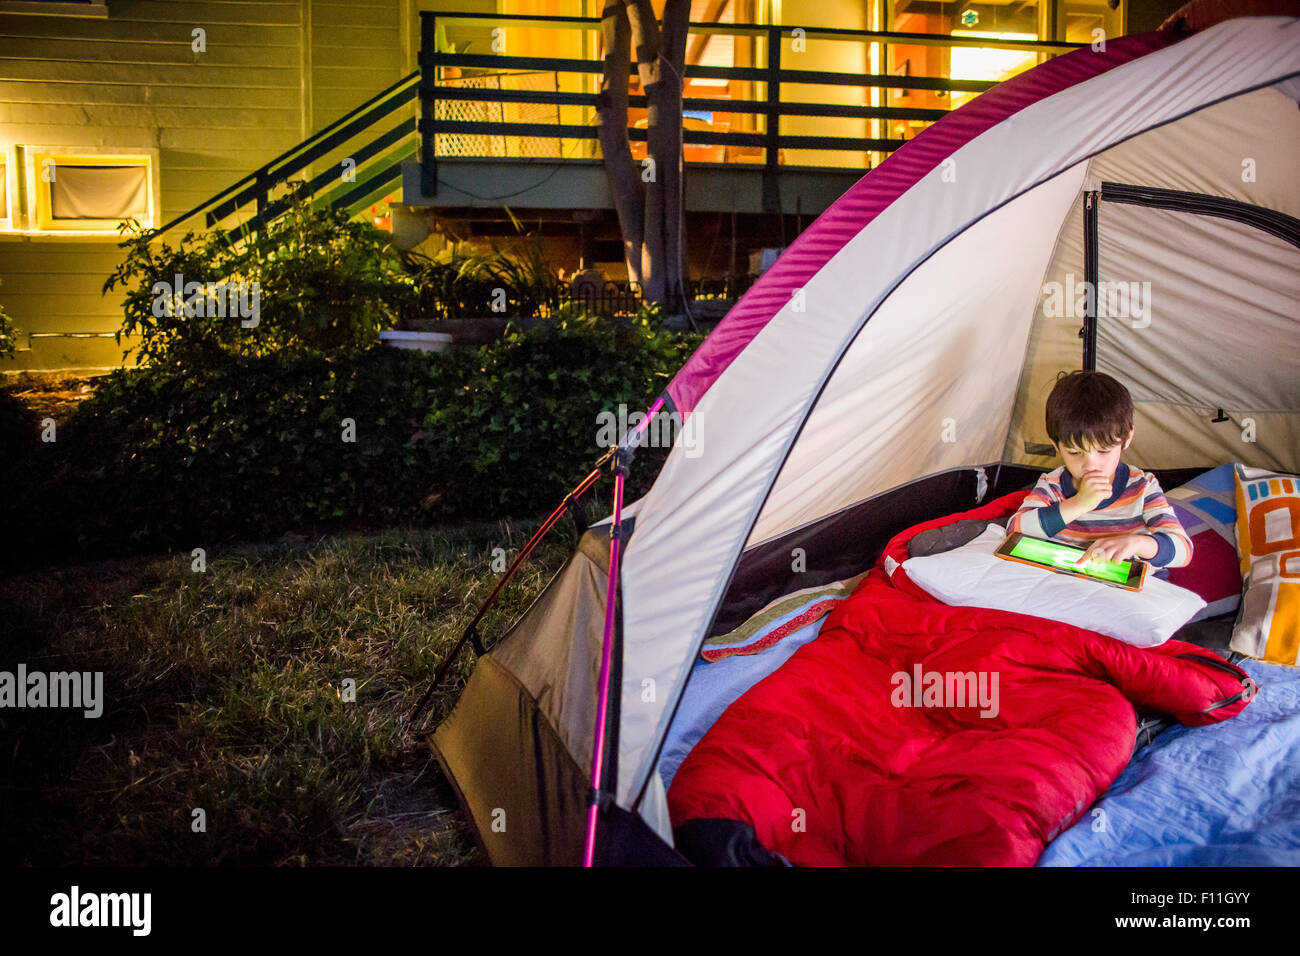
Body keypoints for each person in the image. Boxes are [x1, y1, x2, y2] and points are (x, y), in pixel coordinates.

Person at [1007, 370, 1193, 572]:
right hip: (1070, 580)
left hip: (1127, 585)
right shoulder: (1052, 485)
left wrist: (1136, 543)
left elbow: (1184, 551)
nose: (1091, 465)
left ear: (1127, 439)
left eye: (1103, 451)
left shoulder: (1142, 486)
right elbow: (1015, 530)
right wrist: (1079, 503)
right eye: (1075, 452)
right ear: (1056, 445)